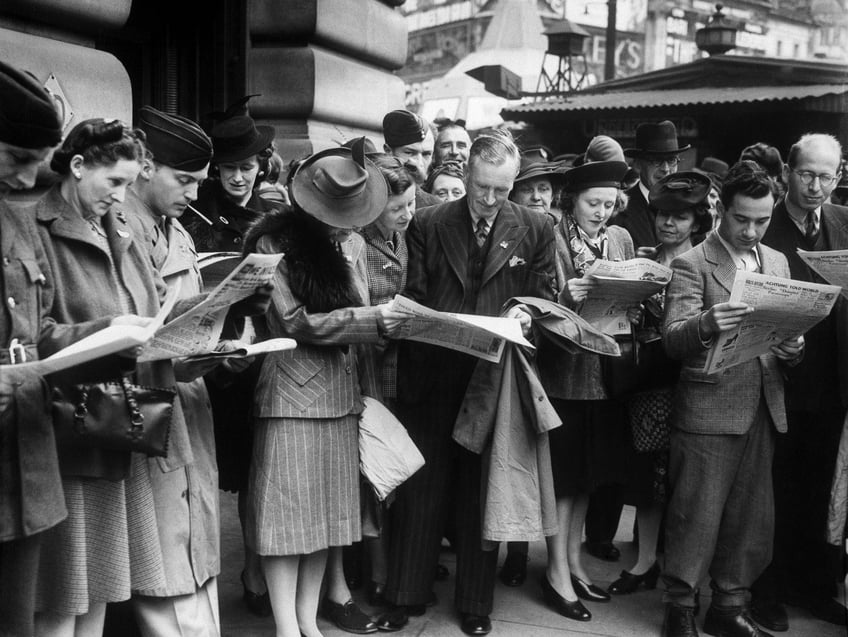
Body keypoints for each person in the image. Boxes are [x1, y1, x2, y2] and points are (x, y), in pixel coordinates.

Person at [378, 128, 557, 636]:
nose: (489, 199)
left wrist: (525, 315)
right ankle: (404, 594)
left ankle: (476, 603)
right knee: (422, 489)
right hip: (432, 373)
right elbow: (412, 292)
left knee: (484, 490)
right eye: (482, 187)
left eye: (502, 190)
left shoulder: (536, 227)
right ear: (467, 172)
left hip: (493, 378)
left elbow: (544, 296)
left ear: (513, 182)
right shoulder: (431, 222)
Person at [0, 60, 146, 637]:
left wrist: (119, 333)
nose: (23, 180)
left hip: (25, 468)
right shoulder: (30, 219)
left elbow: (32, 337)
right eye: (15, 161)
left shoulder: (10, 224)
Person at [240, 141, 409, 637]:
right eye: (342, 214)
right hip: (291, 396)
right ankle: (286, 628)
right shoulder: (274, 244)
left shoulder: (345, 244)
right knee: (286, 523)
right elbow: (293, 320)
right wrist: (371, 319)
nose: (352, 223)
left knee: (325, 523)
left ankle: (307, 623)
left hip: (338, 397)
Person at [124, 105, 266, 636]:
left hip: (188, 409)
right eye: (183, 180)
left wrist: (233, 319)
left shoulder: (175, 229)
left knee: (195, 555)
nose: (192, 193)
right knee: (165, 564)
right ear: (144, 166)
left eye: (197, 182)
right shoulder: (123, 233)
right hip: (151, 414)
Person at [31, 119, 175, 637]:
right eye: (113, 181)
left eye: (128, 184)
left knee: (103, 588)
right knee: (61, 596)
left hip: (120, 424)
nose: (120, 195)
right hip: (70, 431)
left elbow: (154, 308)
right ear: (76, 166)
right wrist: (108, 330)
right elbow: (30, 336)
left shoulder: (120, 227)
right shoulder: (36, 228)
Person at [660, 160, 805, 637]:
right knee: (694, 514)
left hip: (763, 404)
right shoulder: (692, 262)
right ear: (721, 208)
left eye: (762, 221)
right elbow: (672, 340)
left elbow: (785, 335)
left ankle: (729, 604)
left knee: (751, 517)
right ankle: (680, 606)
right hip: (708, 407)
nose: (751, 230)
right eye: (742, 218)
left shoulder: (778, 261)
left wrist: (793, 349)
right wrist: (706, 324)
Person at [182, 109, 284, 619]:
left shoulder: (272, 214)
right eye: (228, 170)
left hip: (255, 354)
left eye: (246, 166)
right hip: (203, 356)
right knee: (203, 466)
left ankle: (255, 572)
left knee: (252, 471)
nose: (239, 177)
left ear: (260, 164)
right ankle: (200, 579)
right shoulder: (192, 215)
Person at [534, 160, 639, 624]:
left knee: (585, 479)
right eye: (593, 203)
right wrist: (568, 298)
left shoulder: (620, 239)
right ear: (570, 201)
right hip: (566, 372)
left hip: (607, 370)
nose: (602, 212)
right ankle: (556, 572)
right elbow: (536, 306)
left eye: (609, 204)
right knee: (563, 478)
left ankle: (573, 563)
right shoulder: (552, 235)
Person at [752, 133, 848, 631]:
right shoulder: (763, 226)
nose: (815, 186)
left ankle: (814, 586)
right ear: (787, 172)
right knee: (771, 490)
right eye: (807, 174)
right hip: (778, 378)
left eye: (826, 176)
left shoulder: (842, 220)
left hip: (832, 381)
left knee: (818, 488)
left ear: (839, 175)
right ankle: (766, 589)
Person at [608, 171, 713, 598]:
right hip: (648, 381)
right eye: (663, 215)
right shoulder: (644, 259)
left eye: (680, 216)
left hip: (688, 380)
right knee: (647, 477)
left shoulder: (705, 261)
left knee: (686, 481)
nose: (669, 223)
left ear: (697, 221)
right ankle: (646, 558)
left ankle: (676, 564)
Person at [352, 154, 417, 608]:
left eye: (412, 204)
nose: (407, 214)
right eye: (398, 207)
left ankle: (400, 564)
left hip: (408, 370)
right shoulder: (356, 242)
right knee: (376, 472)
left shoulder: (412, 237)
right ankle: (376, 571)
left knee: (403, 467)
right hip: (370, 371)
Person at [610, 120, 690, 249]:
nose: (666, 169)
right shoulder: (618, 209)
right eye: (657, 161)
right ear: (637, 165)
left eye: (671, 160)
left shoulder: (689, 205)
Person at [381, 109, 441, 208]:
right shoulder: (371, 198)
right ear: (388, 151)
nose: (418, 162)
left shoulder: (435, 208)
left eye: (426, 154)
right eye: (409, 152)